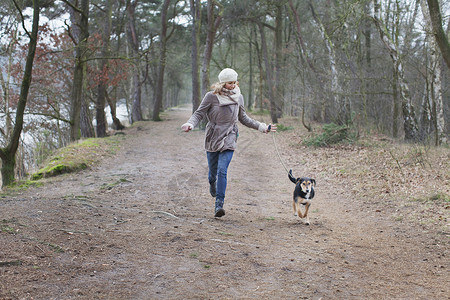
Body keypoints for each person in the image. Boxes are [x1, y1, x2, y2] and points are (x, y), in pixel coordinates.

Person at [181, 68, 276, 218]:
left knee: (222, 170)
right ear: (223, 83)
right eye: (230, 83)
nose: (233, 85)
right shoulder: (211, 97)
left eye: (234, 82)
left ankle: (219, 204)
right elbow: (199, 113)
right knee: (213, 174)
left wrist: (262, 127)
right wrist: (190, 124)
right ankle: (212, 182)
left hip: (230, 135)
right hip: (213, 135)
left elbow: (243, 118)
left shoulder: (239, 97)